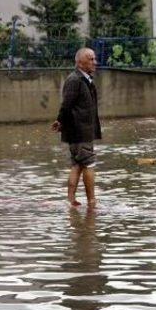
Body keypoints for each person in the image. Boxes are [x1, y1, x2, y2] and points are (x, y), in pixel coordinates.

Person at [52, 48, 102, 207]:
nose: (95, 62)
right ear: (80, 62)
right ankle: (92, 201)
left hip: (82, 130)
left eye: (94, 59)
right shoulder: (75, 80)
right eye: (91, 59)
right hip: (79, 131)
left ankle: (71, 200)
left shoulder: (86, 79)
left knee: (78, 164)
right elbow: (67, 105)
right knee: (88, 164)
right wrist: (60, 120)